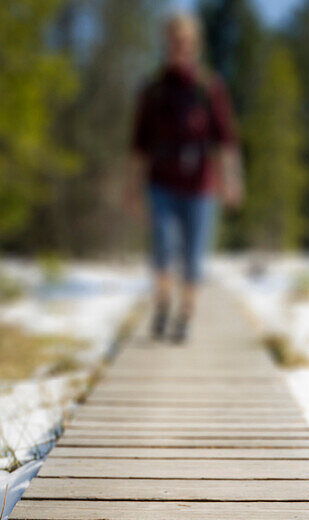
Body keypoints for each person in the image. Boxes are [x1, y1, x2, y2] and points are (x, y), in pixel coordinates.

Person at [126, 12, 243, 343]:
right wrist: (132, 186)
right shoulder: (153, 90)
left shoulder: (210, 87)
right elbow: (138, 143)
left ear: (196, 45)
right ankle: (163, 305)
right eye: (174, 41)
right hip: (161, 181)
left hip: (200, 185)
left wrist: (231, 181)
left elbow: (226, 140)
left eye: (186, 42)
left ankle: (185, 316)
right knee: (162, 248)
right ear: (166, 44)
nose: (180, 48)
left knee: (193, 256)